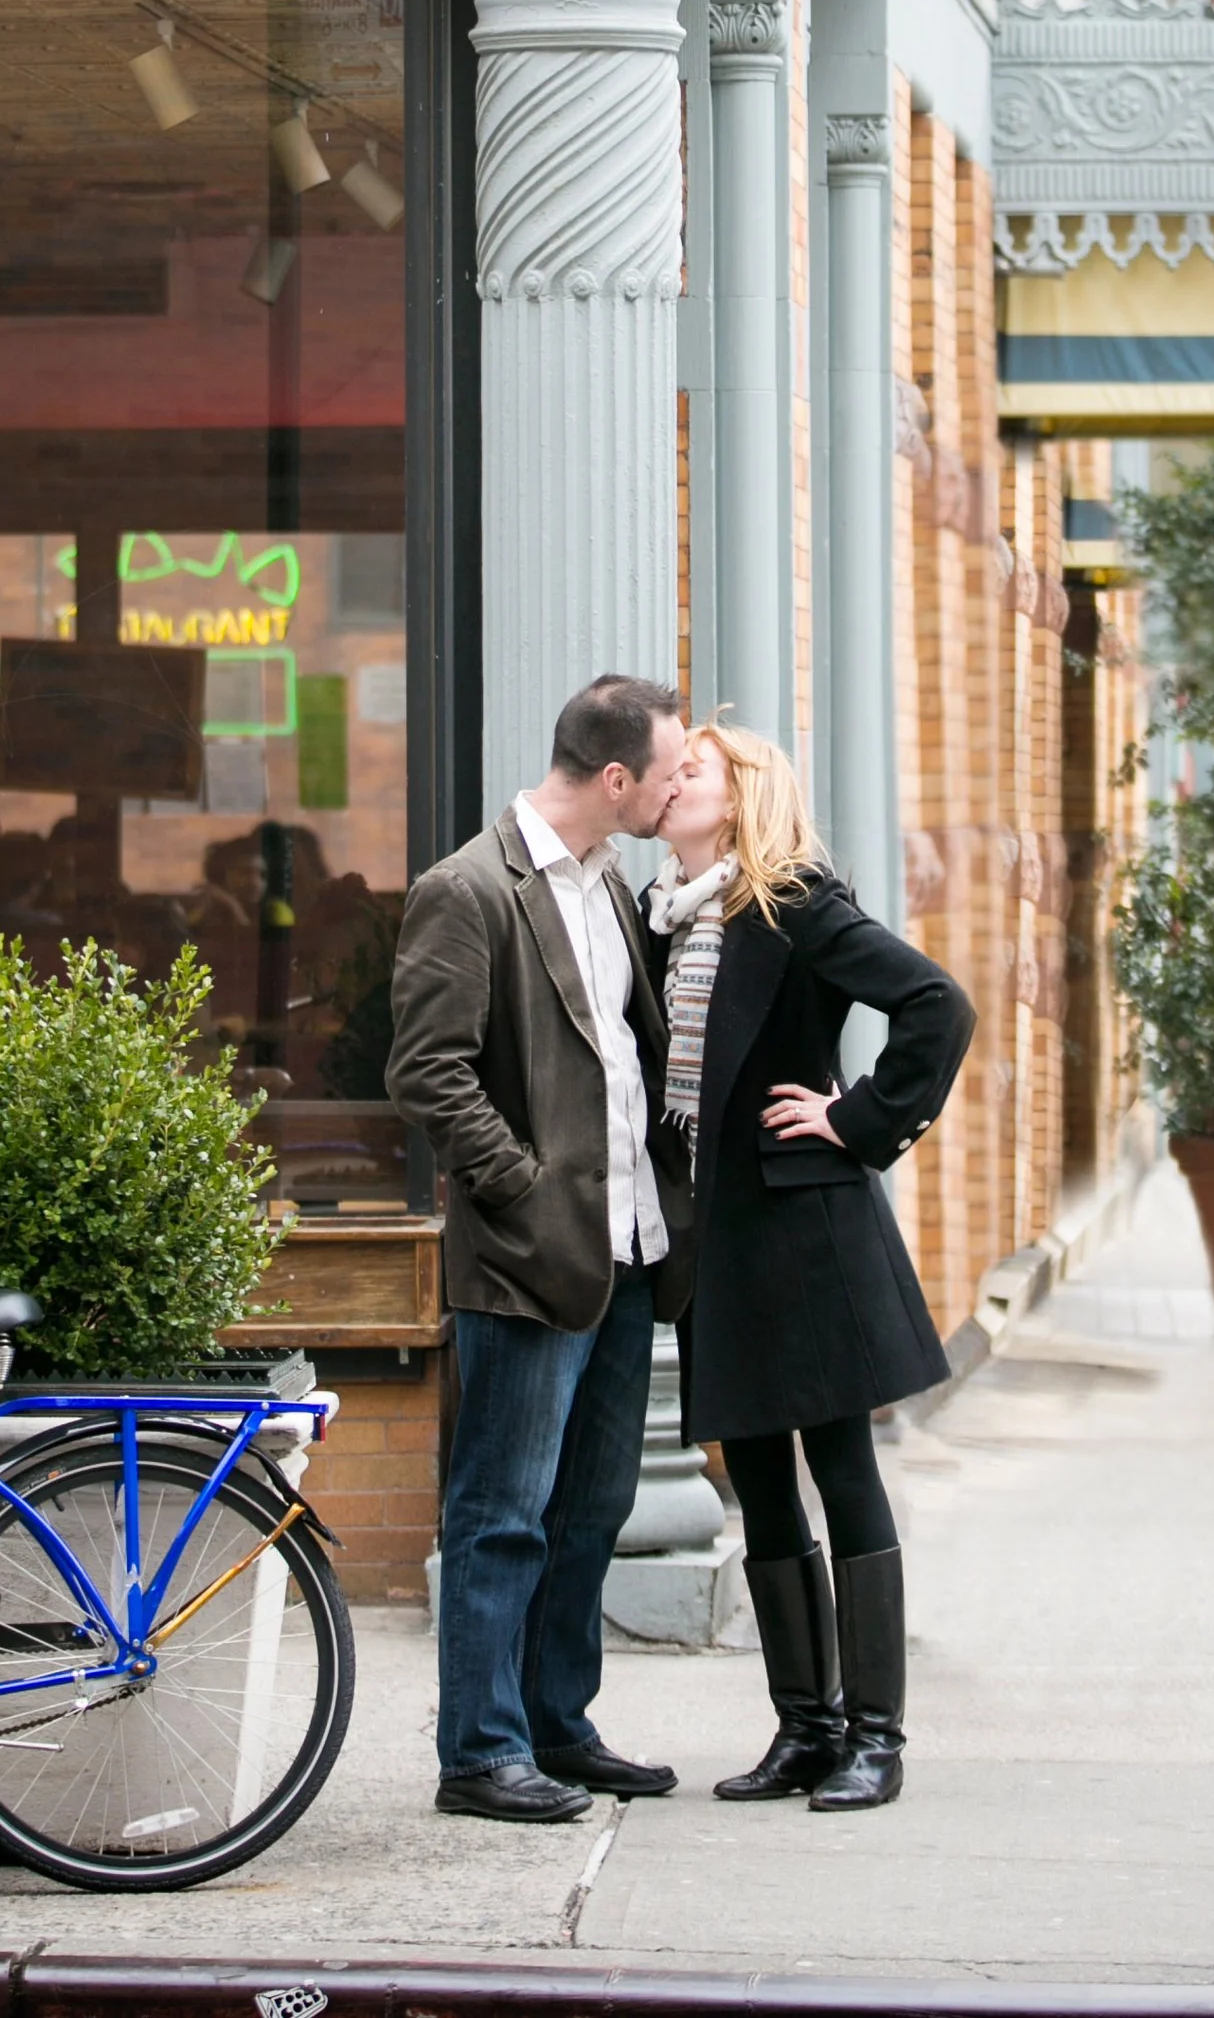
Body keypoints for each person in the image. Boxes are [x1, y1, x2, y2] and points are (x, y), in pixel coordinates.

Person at [385, 670, 694, 1825]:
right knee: (500, 1515)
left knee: (588, 1511)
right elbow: (426, 1074)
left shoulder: (613, 885)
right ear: (615, 778)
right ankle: (480, 1752)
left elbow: (618, 1057)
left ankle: (559, 1728)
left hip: (624, 1250)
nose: (675, 794)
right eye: (665, 775)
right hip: (527, 1255)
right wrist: (521, 1186)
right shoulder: (467, 889)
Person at [650, 716, 973, 1813]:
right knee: (757, 1484)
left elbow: (937, 1004)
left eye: (689, 769)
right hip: (718, 1242)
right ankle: (805, 1730)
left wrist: (861, 1119)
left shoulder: (789, 902)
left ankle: (876, 1739)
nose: (668, 782)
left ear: (739, 797)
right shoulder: (667, 917)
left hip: (804, 1231)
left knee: (840, 1473)